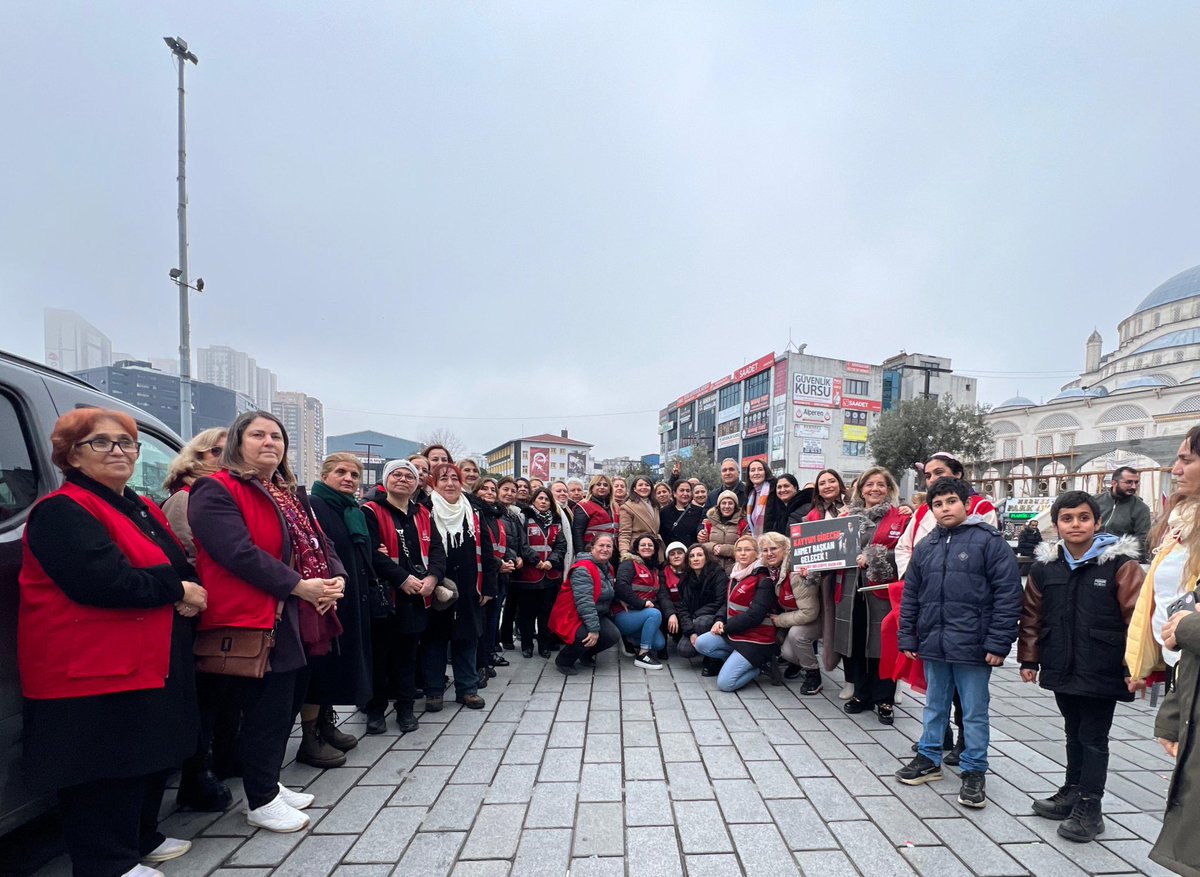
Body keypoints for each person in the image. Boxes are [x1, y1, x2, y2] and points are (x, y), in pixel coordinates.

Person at [19, 409, 202, 874]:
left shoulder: (138, 506)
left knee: (142, 754)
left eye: (126, 442)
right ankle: (106, 864)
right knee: (103, 767)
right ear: (71, 455)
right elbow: (101, 581)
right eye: (100, 442)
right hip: (88, 665)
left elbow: (178, 563)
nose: (118, 450)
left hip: (142, 658)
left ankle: (140, 837)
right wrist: (177, 591)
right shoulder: (62, 510)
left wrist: (184, 587)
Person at [189, 410, 345, 833]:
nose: (269, 442)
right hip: (257, 615)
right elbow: (237, 553)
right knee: (265, 710)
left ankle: (269, 783)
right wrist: (299, 585)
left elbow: (320, 542)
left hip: (298, 611)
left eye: (276, 436)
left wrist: (336, 578)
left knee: (286, 704)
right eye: (258, 435)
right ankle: (260, 800)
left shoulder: (286, 492)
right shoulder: (215, 489)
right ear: (238, 442)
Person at [1018, 490, 1144, 843]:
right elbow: (1031, 616)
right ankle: (1072, 791)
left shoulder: (1120, 565)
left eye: (1084, 518)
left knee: (1094, 737)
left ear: (1097, 522)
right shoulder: (1045, 568)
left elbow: (1137, 619)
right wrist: (1029, 658)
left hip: (1103, 665)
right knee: (1073, 731)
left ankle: (1091, 806)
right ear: (1056, 525)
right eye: (1067, 519)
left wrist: (1134, 666)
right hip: (1061, 662)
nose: (1076, 525)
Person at [895, 478, 1021, 810]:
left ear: (966, 504)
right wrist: (908, 635)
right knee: (934, 704)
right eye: (937, 504)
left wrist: (999, 642)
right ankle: (929, 757)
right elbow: (911, 595)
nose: (945, 508)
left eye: (951, 501)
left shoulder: (989, 542)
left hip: (974, 646)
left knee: (974, 712)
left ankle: (974, 769)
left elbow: (1008, 595)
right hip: (934, 642)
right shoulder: (927, 546)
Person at [1124, 428, 1200, 873]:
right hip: (1185, 673)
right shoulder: (1182, 524)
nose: (1176, 468)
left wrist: (1187, 627)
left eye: (1188, 459)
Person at [893, 451, 997, 755]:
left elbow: (986, 564)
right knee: (936, 690)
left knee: (969, 693)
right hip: (932, 607)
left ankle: (968, 744)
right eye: (928, 475)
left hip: (967, 615)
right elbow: (905, 548)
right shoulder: (923, 512)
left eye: (939, 473)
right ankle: (938, 738)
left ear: (958, 475)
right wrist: (918, 576)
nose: (932, 479)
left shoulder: (981, 509)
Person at [160, 427, 234, 813]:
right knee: (203, 696)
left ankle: (218, 760)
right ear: (197, 456)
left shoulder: (225, 493)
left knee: (220, 694)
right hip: (197, 609)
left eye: (229, 451)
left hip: (222, 608)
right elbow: (184, 556)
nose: (224, 458)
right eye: (216, 452)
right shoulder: (184, 498)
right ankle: (196, 774)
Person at [362, 459, 444, 733]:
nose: (403, 480)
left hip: (416, 597)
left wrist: (433, 577)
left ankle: (405, 708)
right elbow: (370, 553)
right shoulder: (370, 510)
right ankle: (375, 710)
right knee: (379, 656)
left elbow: (437, 550)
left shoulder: (424, 513)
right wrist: (402, 578)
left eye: (409, 476)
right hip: (384, 596)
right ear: (386, 480)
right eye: (396, 475)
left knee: (407, 656)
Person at [830, 467, 910, 725]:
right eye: (869, 484)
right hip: (850, 590)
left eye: (880, 485)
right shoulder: (845, 517)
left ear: (889, 489)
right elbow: (829, 551)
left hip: (881, 592)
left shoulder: (901, 518)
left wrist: (875, 556)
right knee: (854, 642)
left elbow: (907, 553)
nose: (875, 489)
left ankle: (884, 699)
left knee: (882, 645)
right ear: (860, 489)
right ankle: (861, 694)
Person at [307, 453, 376, 748]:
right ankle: (310, 737)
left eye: (354, 474)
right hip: (325, 598)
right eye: (341, 472)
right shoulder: (314, 505)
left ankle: (326, 723)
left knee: (337, 666)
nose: (348, 478)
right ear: (325, 476)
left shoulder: (352, 511)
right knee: (320, 668)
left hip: (351, 597)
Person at [422, 462, 498, 710]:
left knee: (467, 639)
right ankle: (434, 691)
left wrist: (488, 587)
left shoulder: (473, 511)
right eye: (443, 479)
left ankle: (467, 689)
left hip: (469, 584)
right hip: (437, 586)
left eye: (454, 478)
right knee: (434, 640)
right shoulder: (424, 510)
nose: (450, 483)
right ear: (434, 483)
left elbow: (487, 550)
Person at [694, 534, 780, 691]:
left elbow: (754, 616)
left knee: (725, 684)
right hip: (735, 633)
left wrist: (726, 628)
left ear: (757, 553)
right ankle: (738, 661)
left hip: (756, 638)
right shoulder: (736, 573)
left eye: (747, 550)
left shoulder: (764, 578)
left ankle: (760, 667)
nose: (742, 553)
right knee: (701, 643)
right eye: (739, 550)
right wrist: (719, 620)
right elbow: (727, 603)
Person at [550, 534, 623, 675]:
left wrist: (621, 600)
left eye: (609, 546)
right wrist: (593, 629)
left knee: (612, 635)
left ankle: (584, 654)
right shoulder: (583, 569)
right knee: (585, 636)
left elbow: (608, 590)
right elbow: (585, 602)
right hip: (572, 614)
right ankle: (564, 660)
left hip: (594, 613)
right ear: (592, 547)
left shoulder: (607, 566)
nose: (605, 549)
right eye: (601, 545)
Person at [514, 487, 568, 658]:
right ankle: (527, 645)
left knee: (546, 613)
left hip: (549, 575)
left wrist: (551, 561)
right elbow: (521, 543)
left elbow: (561, 545)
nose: (544, 502)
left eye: (547, 499)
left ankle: (544, 646)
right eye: (540, 498)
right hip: (529, 575)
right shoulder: (524, 517)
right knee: (527, 613)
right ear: (533, 500)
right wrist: (536, 561)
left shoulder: (556, 520)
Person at [472, 477, 516, 681]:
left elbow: (504, 545)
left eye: (492, 489)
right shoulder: (474, 514)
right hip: (482, 576)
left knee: (492, 620)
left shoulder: (496, 516)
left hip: (498, 577)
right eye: (484, 489)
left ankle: (488, 655)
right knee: (481, 623)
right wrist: (500, 564)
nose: (489, 492)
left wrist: (508, 561)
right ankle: (479, 663)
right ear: (476, 491)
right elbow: (480, 547)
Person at [614, 535, 671, 668]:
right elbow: (620, 586)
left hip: (642, 615)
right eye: (643, 545)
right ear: (636, 548)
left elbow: (660, 594)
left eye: (650, 545)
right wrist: (641, 603)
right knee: (654, 614)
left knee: (659, 644)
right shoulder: (629, 563)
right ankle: (643, 655)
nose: (647, 547)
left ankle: (630, 639)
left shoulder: (654, 569)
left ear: (655, 549)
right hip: (624, 614)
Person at [674, 543, 727, 665]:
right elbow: (683, 609)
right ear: (688, 561)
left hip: (715, 618)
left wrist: (696, 615)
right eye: (691, 556)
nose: (695, 559)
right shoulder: (685, 580)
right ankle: (705, 647)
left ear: (706, 557)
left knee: (701, 622)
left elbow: (720, 602)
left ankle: (713, 659)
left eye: (699, 555)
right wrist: (690, 632)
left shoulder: (718, 574)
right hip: (694, 620)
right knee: (684, 650)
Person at [1094, 466, 1152, 561]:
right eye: (1128, 482)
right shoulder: (1095, 501)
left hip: (1121, 559)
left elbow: (1143, 540)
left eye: (1136, 482)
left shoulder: (1141, 508)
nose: (1133, 486)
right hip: (1091, 555)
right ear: (1114, 483)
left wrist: (1113, 551)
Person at [496, 476, 527, 652]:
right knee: (496, 607)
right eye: (505, 489)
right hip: (500, 564)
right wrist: (514, 558)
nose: (509, 493)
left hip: (512, 565)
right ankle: (494, 644)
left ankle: (498, 642)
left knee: (505, 605)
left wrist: (520, 556)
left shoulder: (512, 515)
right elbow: (500, 541)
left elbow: (519, 539)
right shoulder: (496, 513)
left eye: (512, 491)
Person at [698, 489, 747, 573]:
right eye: (723, 503)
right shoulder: (709, 522)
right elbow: (703, 546)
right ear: (719, 506)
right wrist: (713, 547)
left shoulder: (742, 524)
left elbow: (746, 550)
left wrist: (724, 550)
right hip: (713, 569)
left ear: (735, 506)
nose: (727, 506)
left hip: (735, 569)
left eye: (730, 503)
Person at [618, 476, 663, 558]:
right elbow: (624, 533)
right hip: (637, 548)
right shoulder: (627, 507)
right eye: (640, 485)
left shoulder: (655, 505)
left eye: (647, 485)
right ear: (634, 489)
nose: (644, 487)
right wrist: (624, 552)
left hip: (654, 547)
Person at [574, 474, 619, 553]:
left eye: (605, 485)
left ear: (610, 489)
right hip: (591, 551)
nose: (602, 487)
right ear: (592, 488)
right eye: (598, 484)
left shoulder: (615, 507)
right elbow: (577, 534)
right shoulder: (583, 506)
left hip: (612, 551)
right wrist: (581, 554)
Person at [660, 480, 703, 547]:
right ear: (674, 493)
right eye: (682, 490)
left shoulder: (699, 511)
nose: (685, 493)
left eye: (688, 491)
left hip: (692, 550)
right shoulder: (664, 512)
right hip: (673, 550)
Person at [743, 460, 774, 536]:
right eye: (752, 470)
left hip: (772, 539)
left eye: (760, 469)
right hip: (756, 540)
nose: (756, 473)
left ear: (765, 472)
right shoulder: (750, 495)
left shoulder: (774, 490)